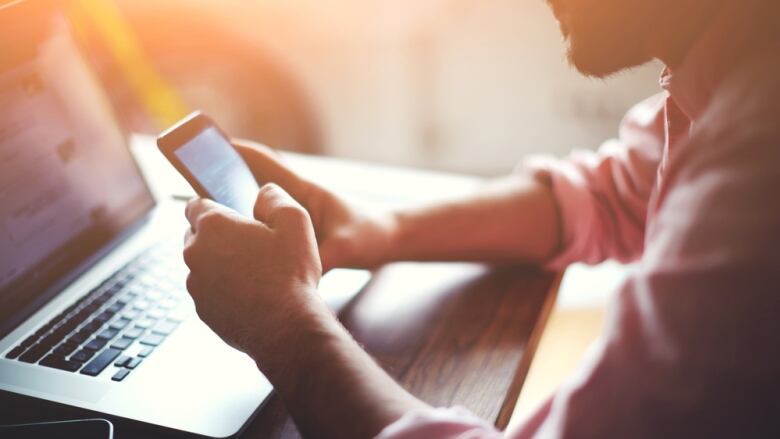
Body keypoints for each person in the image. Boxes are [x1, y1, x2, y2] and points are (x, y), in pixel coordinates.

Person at [181, 0, 780, 436]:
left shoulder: (757, 164)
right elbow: (616, 193)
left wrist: (284, 325)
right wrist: (379, 231)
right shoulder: (737, 70)